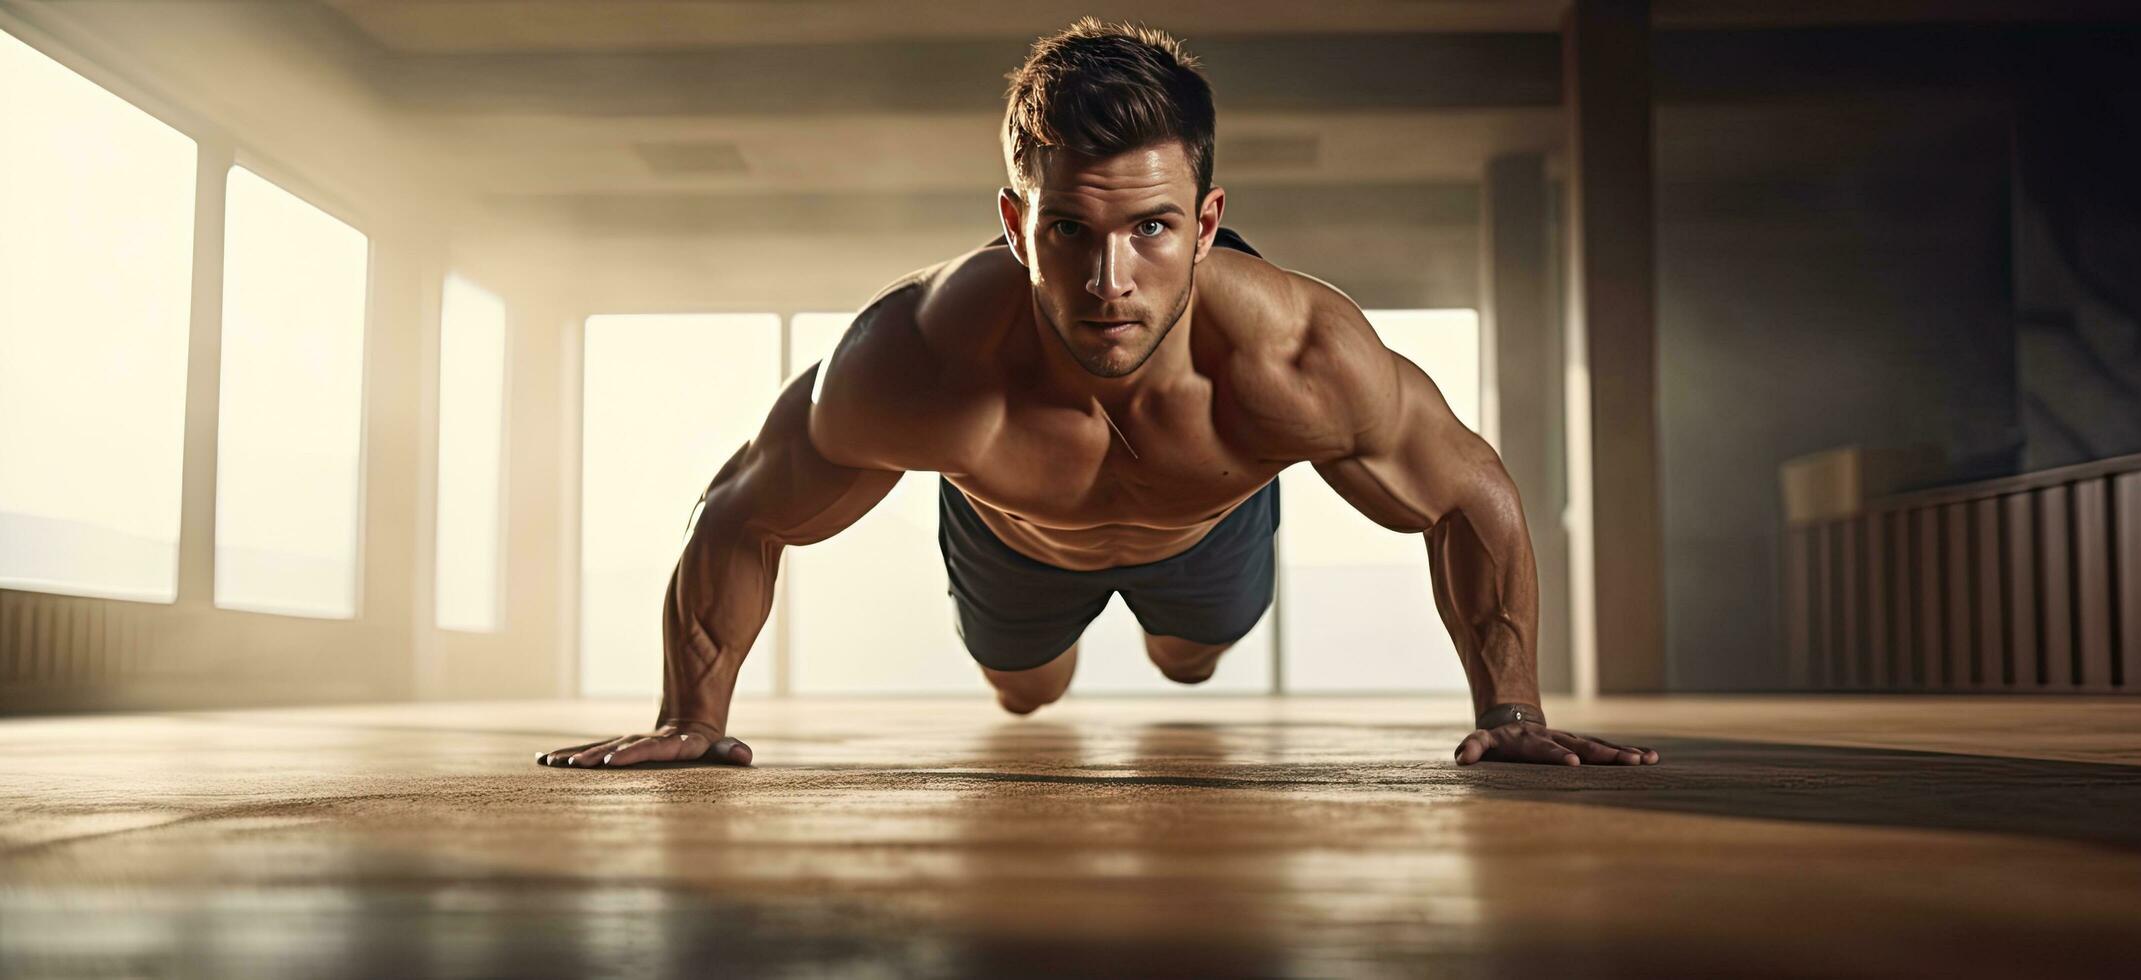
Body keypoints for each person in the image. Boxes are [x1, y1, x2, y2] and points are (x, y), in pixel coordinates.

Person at [540, 17, 1657, 771]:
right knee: (1026, 693)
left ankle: (1184, 632)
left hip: (1210, 530)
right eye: (1069, 229)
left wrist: (1510, 712)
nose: (1107, 280)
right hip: (1011, 538)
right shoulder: (920, 360)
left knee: (1191, 658)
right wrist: (691, 716)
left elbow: (1469, 492)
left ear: (1206, 223)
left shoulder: (1298, 355)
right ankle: (1038, 650)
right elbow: (745, 504)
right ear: (1017, 222)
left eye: (1152, 229)